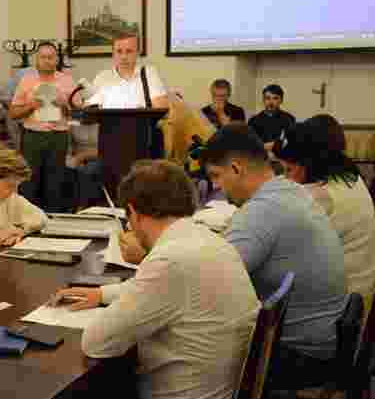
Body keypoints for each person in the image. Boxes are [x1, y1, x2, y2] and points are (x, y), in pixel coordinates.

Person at [52, 160, 260, 399]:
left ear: (133, 212)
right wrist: (102, 294)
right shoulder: (209, 240)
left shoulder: (170, 260)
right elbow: (161, 290)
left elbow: (97, 342)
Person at [200, 124, 346, 390]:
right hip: (322, 343)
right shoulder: (291, 191)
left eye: (216, 176)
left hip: (300, 357)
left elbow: (207, 280)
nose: (216, 186)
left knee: (185, 352)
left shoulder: (263, 210)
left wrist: (157, 250)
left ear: (236, 168)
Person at [273, 114, 375, 310]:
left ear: (309, 161)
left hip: (341, 306)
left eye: (288, 170)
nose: (286, 177)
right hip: (360, 294)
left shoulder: (321, 195)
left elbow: (280, 245)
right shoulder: (350, 177)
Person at [9, 41, 76, 212]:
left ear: (57, 59)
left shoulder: (67, 81)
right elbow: (13, 113)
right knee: (29, 182)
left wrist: (64, 105)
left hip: (58, 137)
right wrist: (31, 106)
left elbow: (78, 114)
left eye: (50, 57)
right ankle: (28, 220)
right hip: (33, 137)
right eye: (43, 57)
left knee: (55, 183)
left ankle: (54, 221)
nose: (47, 61)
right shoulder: (26, 81)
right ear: (37, 60)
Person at [86, 33, 168, 158]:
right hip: (110, 144)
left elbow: (161, 109)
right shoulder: (102, 77)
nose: (123, 57)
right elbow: (90, 111)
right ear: (113, 53)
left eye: (129, 51)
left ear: (137, 53)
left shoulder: (148, 73)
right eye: (119, 51)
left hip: (144, 144)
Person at [66, 122, 103, 209]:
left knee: (88, 170)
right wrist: (73, 160)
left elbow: (103, 149)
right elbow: (69, 148)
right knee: (68, 169)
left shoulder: (101, 125)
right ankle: (69, 205)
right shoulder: (73, 125)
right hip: (77, 158)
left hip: (97, 156)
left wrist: (82, 157)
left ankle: (82, 205)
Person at [248, 84, 296, 150]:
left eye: (275, 98)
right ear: (263, 100)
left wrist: (276, 145)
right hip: (260, 154)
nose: (271, 102)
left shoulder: (289, 119)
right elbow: (249, 143)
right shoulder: (253, 120)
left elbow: (291, 142)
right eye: (268, 98)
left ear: (281, 100)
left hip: (282, 155)